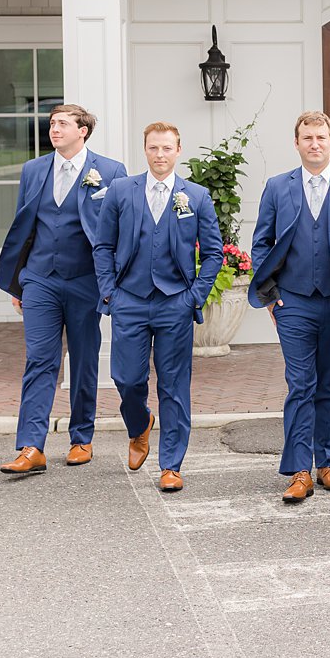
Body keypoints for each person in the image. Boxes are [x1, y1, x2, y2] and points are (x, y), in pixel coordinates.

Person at [249, 111, 330, 504]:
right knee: (301, 384)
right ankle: (300, 470)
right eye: (307, 138)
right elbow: (261, 243)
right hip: (294, 302)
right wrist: (271, 296)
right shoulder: (276, 187)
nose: (315, 144)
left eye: (321, 137)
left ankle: (328, 462)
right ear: (297, 143)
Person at [91, 121, 221, 493]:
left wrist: (194, 296)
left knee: (174, 385)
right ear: (144, 150)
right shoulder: (120, 190)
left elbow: (212, 253)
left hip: (175, 301)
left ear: (178, 150)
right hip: (129, 299)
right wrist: (110, 294)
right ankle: (139, 426)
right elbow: (103, 246)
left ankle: (171, 465)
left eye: (167, 148)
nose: (160, 155)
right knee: (126, 378)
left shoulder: (195, 196)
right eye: (153, 148)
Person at [0, 104, 126, 476]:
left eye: (63, 124)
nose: (55, 130)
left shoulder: (111, 171)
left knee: (84, 361)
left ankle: (81, 438)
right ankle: (31, 446)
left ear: (82, 131)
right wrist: (18, 279)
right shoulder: (34, 169)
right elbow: (25, 226)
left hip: (87, 280)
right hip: (39, 278)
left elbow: (120, 228)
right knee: (40, 358)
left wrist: (113, 283)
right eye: (52, 124)